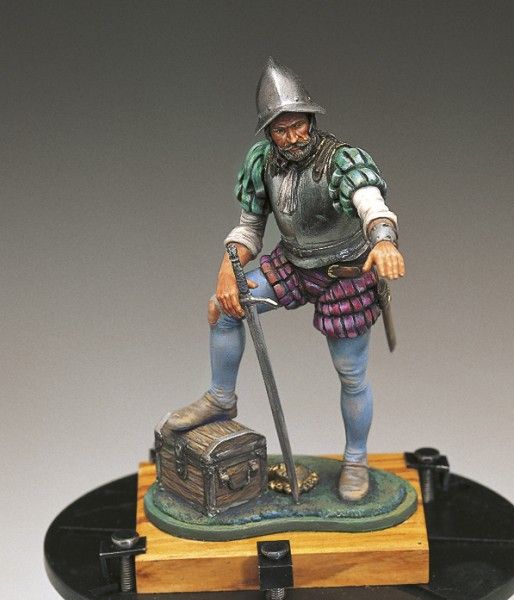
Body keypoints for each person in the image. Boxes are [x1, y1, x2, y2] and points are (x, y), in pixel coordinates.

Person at [164, 58, 406, 502]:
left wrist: (384, 241)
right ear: (268, 132)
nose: (293, 137)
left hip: (345, 275)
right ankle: (221, 397)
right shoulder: (262, 163)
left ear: (311, 120)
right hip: (293, 266)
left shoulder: (341, 160)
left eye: (299, 126)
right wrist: (227, 269)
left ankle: (356, 459)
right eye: (282, 130)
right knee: (223, 307)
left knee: (351, 375)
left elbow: (371, 202)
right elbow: (250, 227)